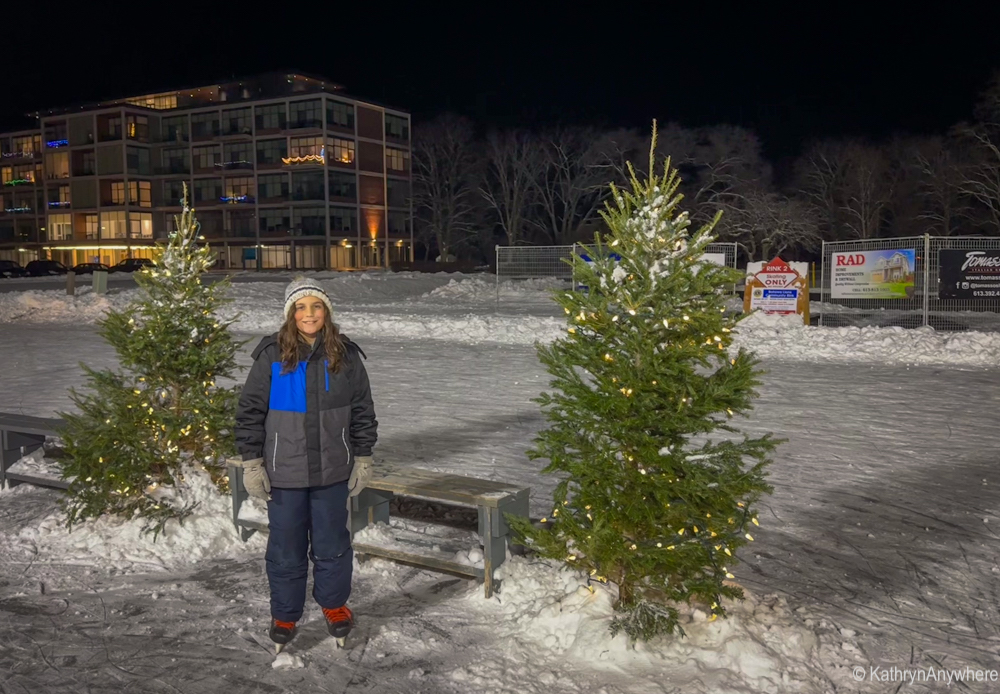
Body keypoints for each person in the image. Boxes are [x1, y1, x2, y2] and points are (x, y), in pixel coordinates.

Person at [233, 276, 377, 651]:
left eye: (315, 306)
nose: (308, 314)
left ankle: (334, 605)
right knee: (286, 548)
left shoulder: (345, 356)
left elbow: (362, 410)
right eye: (300, 307)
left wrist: (363, 456)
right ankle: (284, 614)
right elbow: (249, 413)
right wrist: (252, 462)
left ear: (326, 311)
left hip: (332, 471)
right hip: (285, 472)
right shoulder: (271, 355)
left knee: (333, 545)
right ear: (290, 313)